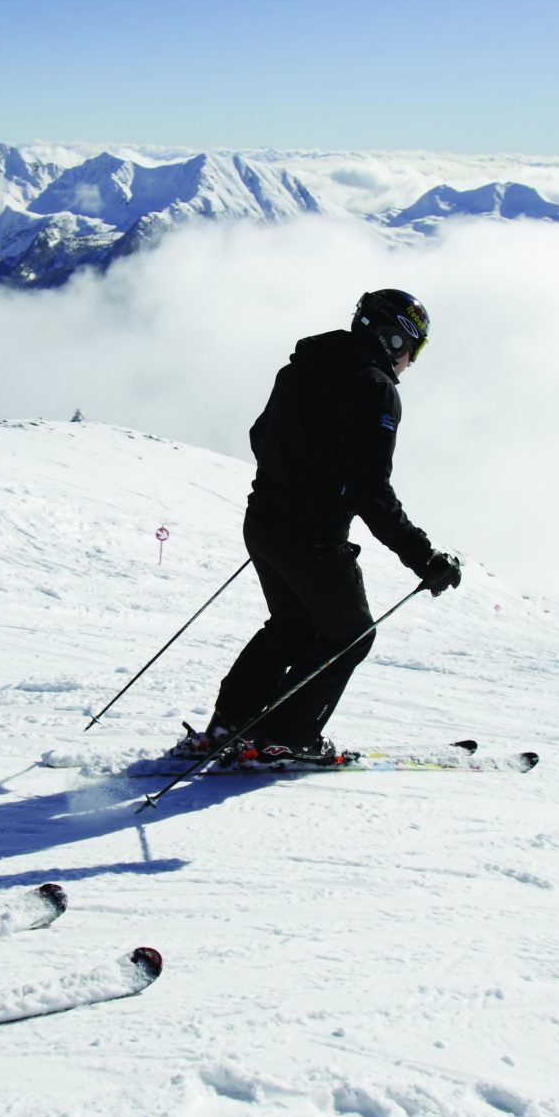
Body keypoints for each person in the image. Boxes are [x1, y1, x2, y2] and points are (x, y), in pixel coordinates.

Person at [184, 290, 461, 765]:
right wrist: (424, 558)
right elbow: (370, 491)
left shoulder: (299, 367)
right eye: (416, 349)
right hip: (311, 538)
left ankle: (228, 726)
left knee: (291, 626)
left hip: (264, 523)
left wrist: (295, 481)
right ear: (394, 339)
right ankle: (286, 737)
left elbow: (260, 436)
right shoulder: (375, 389)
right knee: (351, 634)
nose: (412, 362)